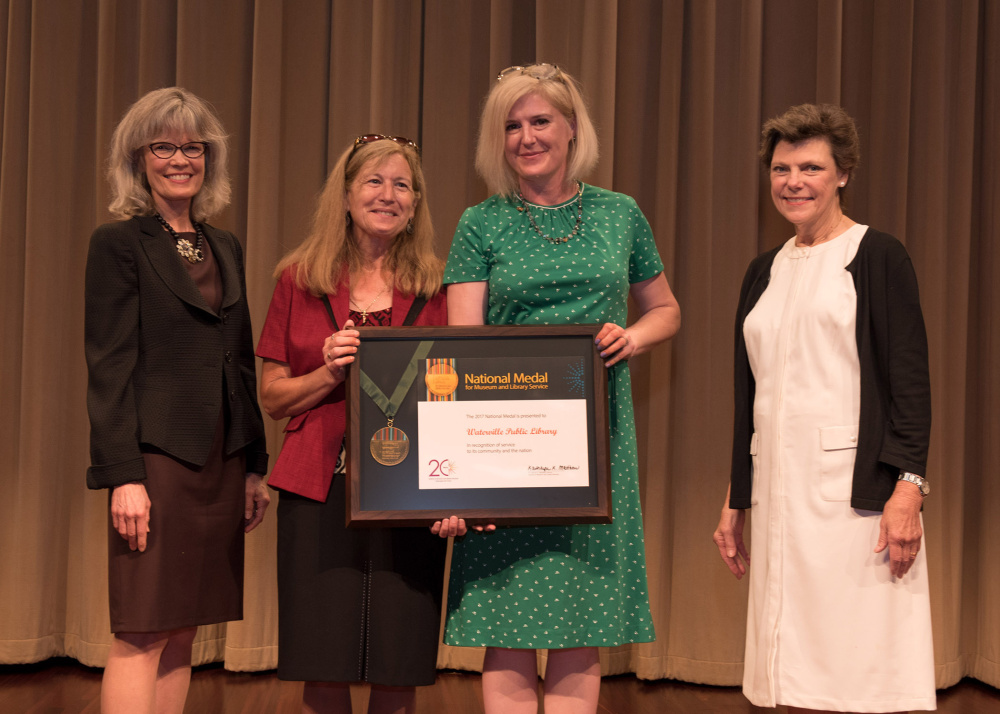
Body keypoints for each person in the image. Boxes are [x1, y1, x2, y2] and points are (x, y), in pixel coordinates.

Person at [435, 64, 681, 713]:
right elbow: (461, 351)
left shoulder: (619, 214)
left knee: (581, 618)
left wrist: (633, 337)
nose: (526, 137)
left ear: (571, 127)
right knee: (507, 620)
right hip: (503, 444)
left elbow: (666, 310)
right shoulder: (479, 223)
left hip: (596, 440)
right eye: (512, 126)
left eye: (539, 121)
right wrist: (464, 473)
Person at [712, 103, 935, 712]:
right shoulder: (764, 271)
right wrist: (737, 496)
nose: (793, 181)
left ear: (843, 173)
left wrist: (908, 490)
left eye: (810, 167)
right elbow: (748, 395)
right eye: (781, 168)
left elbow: (910, 385)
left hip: (855, 503)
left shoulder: (877, 256)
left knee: (858, 671)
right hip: (782, 497)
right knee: (789, 674)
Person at [85, 87, 270, 714]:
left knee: (186, 628)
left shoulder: (226, 245)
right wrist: (124, 478)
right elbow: (109, 366)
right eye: (163, 146)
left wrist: (252, 466)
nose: (179, 158)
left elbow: (239, 359)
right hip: (158, 459)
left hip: (220, 460)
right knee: (142, 628)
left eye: (193, 146)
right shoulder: (117, 244)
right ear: (139, 158)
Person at [256, 135, 448, 714]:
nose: (387, 195)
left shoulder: (441, 287)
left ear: (415, 205)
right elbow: (271, 396)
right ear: (345, 194)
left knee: (399, 657)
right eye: (373, 181)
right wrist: (327, 371)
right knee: (324, 655)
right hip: (318, 484)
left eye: (402, 185)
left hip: (411, 488)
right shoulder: (297, 279)